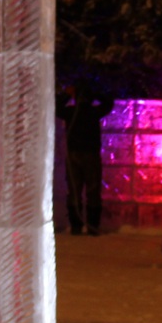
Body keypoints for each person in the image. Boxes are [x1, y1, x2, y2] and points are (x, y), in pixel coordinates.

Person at [58, 85, 114, 235]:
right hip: (91, 155)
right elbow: (109, 103)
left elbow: (56, 107)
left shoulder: (70, 112)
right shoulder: (93, 112)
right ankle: (92, 227)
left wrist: (67, 94)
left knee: (74, 191)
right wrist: (96, 93)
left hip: (74, 155)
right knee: (93, 191)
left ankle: (76, 227)